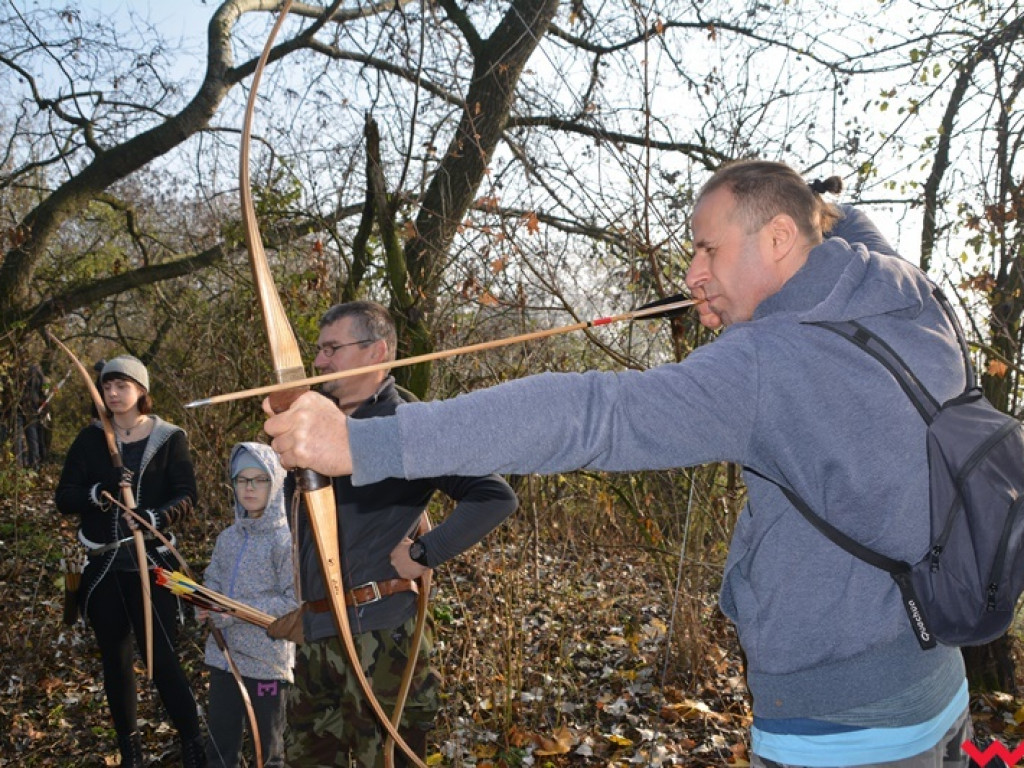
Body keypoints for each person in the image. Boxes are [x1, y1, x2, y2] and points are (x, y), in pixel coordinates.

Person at [262, 162, 975, 767]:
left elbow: (588, 414)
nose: (692, 273)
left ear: (781, 237)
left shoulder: (765, 364)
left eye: (708, 250)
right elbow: (842, 222)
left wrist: (361, 445)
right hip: (939, 684)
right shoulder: (909, 293)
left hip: (841, 726)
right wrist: (806, 211)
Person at [273, 301, 519, 767]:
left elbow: (494, 496)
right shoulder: (316, 429)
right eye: (319, 349)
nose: (320, 361)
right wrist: (307, 605)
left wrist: (426, 552)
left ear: (377, 353)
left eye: (332, 349)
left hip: (381, 638)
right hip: (318, 637)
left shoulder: (408, 427)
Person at [55, 355, 206, 768]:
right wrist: (100, 491)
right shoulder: (90, 440)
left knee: (163, 659)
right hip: (103, 566)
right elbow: (64, 497)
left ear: (142, 390)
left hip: (152, 564)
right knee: (116, 661)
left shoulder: (169, 437)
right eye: (107, 386)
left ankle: (193, 745)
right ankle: (131, 753)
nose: (113, 393)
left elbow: (187, 494)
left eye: (123, 385)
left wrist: (155, 518)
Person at [200, 442, 296, 768]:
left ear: (277, 483)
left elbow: (293, 602)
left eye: (260, 480)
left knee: (266, 751)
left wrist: (233, 609)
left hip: (266, 661)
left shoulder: (285, 541)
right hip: (224, 658)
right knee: (220, 747)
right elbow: (212, 579)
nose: (251, 488)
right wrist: (204, 601)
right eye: (243, 480)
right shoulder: (227, 538)